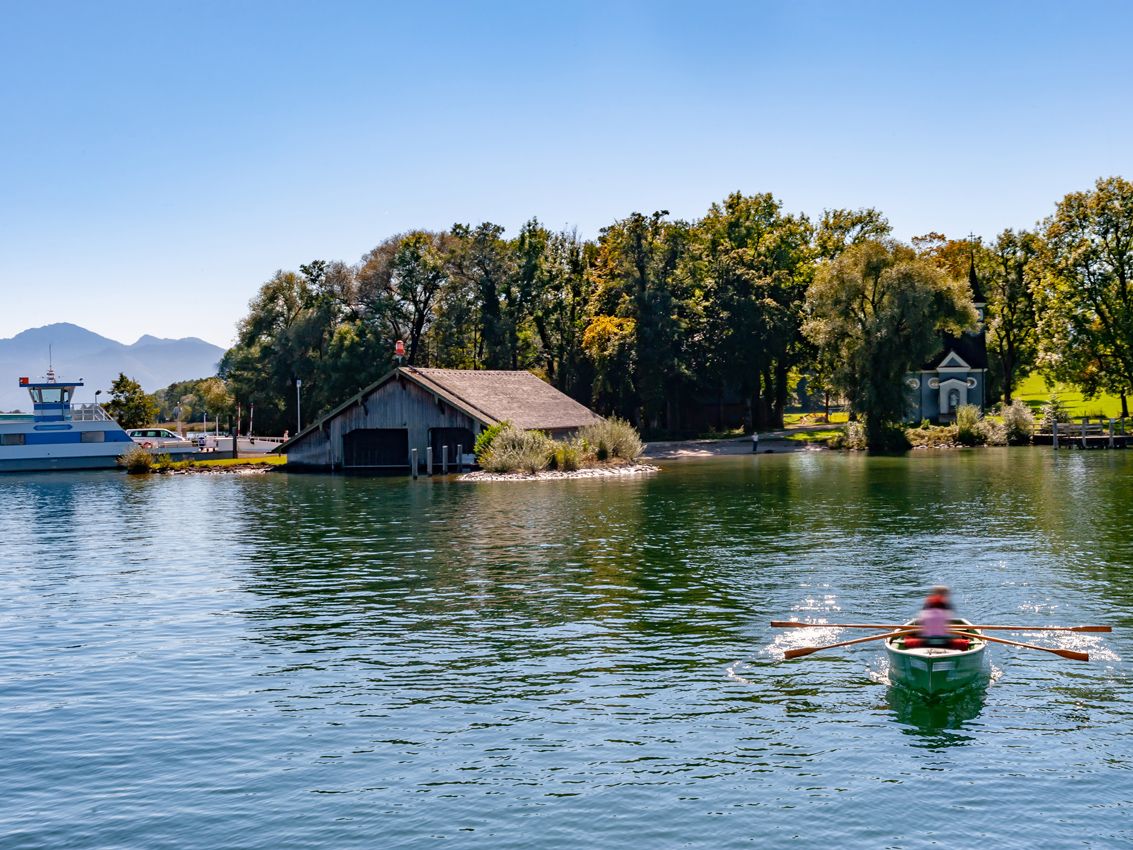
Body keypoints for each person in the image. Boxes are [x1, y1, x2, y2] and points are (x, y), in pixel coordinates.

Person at [906, 585, 969, 650]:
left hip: (926, 642)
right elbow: (947, 625)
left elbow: (921, 625)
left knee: (913, 636)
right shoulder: (946, 613)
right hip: (944, 643)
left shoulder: (924, 613)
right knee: (960, 637)